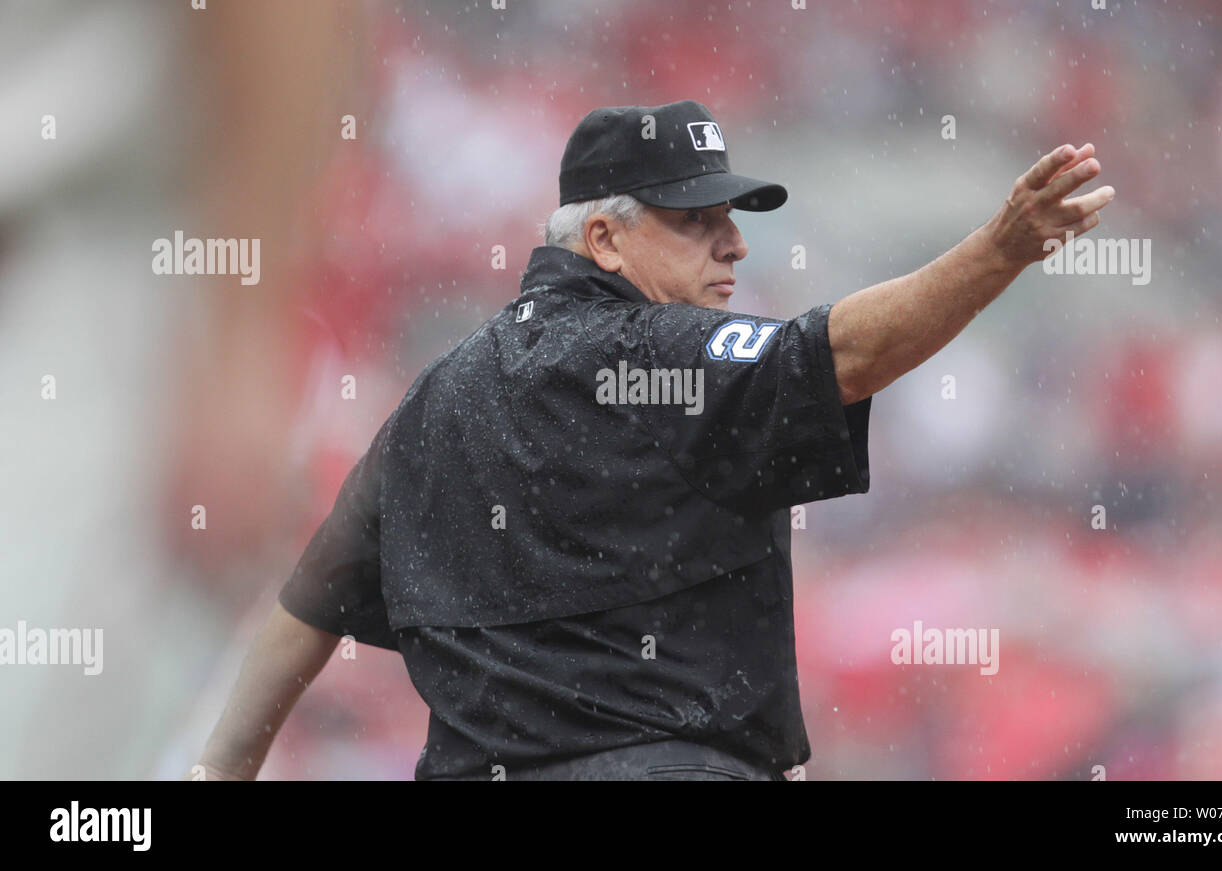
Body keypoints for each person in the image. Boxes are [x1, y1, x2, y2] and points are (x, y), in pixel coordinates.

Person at [195, 99, 1113, 781]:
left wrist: (215, 776)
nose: (734, 247)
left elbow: (302, 618)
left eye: (732, 221)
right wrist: (1001, 248)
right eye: (697, 222)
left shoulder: (430, 401)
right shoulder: (661, 357)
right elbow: (849, 349)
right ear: (604, 238)